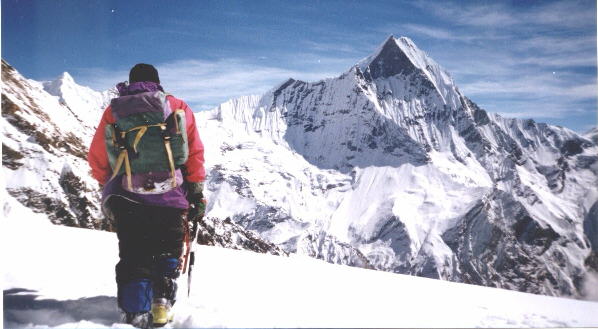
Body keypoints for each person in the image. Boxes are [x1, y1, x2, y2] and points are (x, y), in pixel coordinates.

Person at [88, 63, 206, 328]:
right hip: (171, 198)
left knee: (134, 254)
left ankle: (134, 313)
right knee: (167, 252)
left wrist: (106, 185)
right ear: (158, 82)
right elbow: (194, 154)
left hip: (128, 198)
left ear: (130, 83)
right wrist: (196, 191)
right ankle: (161, 306)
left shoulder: (115, 110)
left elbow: (98, 157)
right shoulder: (177, 106)